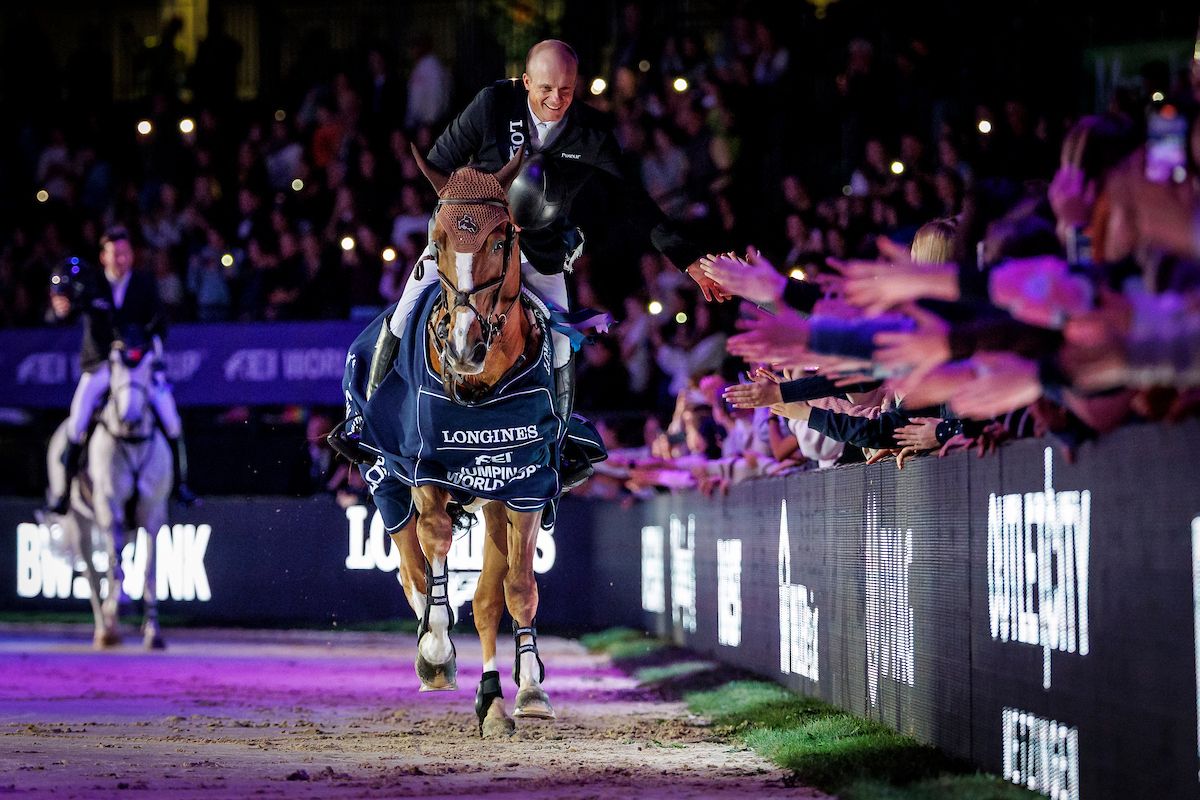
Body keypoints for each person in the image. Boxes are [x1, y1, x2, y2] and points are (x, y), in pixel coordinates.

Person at [359, 39, 723, 484]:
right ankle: (367, 424)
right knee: (405, 308)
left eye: (567, 91)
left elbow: (636, 202)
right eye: (546, 89)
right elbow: (439, 162)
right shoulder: (494, 103)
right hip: (475, 239)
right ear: (526, 81)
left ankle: (558, 444)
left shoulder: (592, 132)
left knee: (565, 341)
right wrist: (480, 205)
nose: (556, 100)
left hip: (540, 247)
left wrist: (687, 260)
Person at [46, 226, 195, 513]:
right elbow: (67, 311)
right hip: (100, 365)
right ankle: (64, 491)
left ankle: (182, 484)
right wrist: (59, 310)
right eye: (115, 254)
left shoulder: (144, 283)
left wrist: (142, 345)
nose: (121, 260)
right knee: (77, 421)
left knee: (170, 416)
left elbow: (160, 325)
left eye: (125, 253)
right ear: (104, 257)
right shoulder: (91, 283)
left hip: (136, 366)